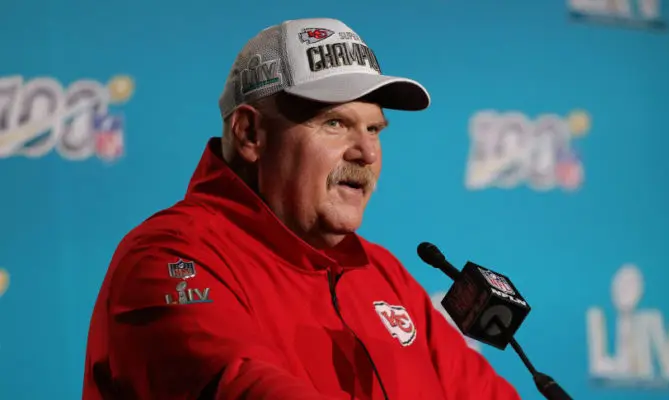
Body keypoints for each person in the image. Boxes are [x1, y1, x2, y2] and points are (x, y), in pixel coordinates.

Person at [82, 17, 521, 400]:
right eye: (335, 123)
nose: (367, 153)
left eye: (374, 129)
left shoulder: (382, 274)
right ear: (251, 133)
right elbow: (242, 386)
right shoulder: (169, 258)